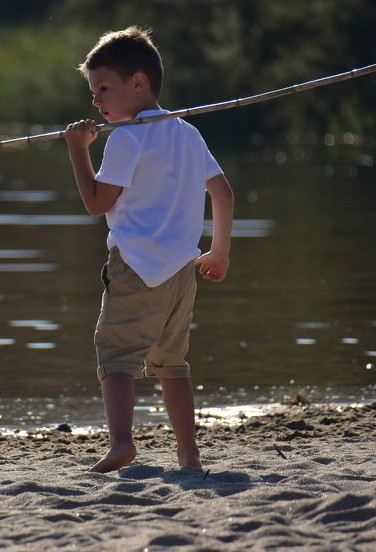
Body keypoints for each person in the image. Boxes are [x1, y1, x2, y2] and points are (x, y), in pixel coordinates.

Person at [64, 26, 234, 474]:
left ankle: (121, 443)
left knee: (115, 356)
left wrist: (78, 152)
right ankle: (188, 455)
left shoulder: (126, 138)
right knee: (172, 364)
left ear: (138, 83)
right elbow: (223, 194)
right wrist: (218, 253)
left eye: (103, 89)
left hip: (135, 266)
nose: (96, 102)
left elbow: (97, 204)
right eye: (93, 92)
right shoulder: (188, 135)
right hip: (181, 269)